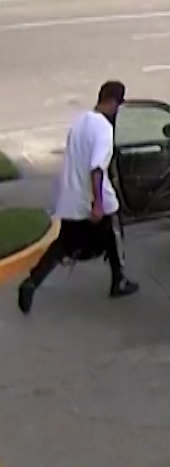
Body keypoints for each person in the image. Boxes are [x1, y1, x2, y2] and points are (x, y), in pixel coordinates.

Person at [18, 80, 139, 315]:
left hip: (71, 196)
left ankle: (32, 282)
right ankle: (119, 280)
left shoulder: (80, 121)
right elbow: (97, 168)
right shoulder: (104, 129)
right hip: (94, 197)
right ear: (113, 102)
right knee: (114, 234)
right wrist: (98, 204)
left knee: (63, 244)